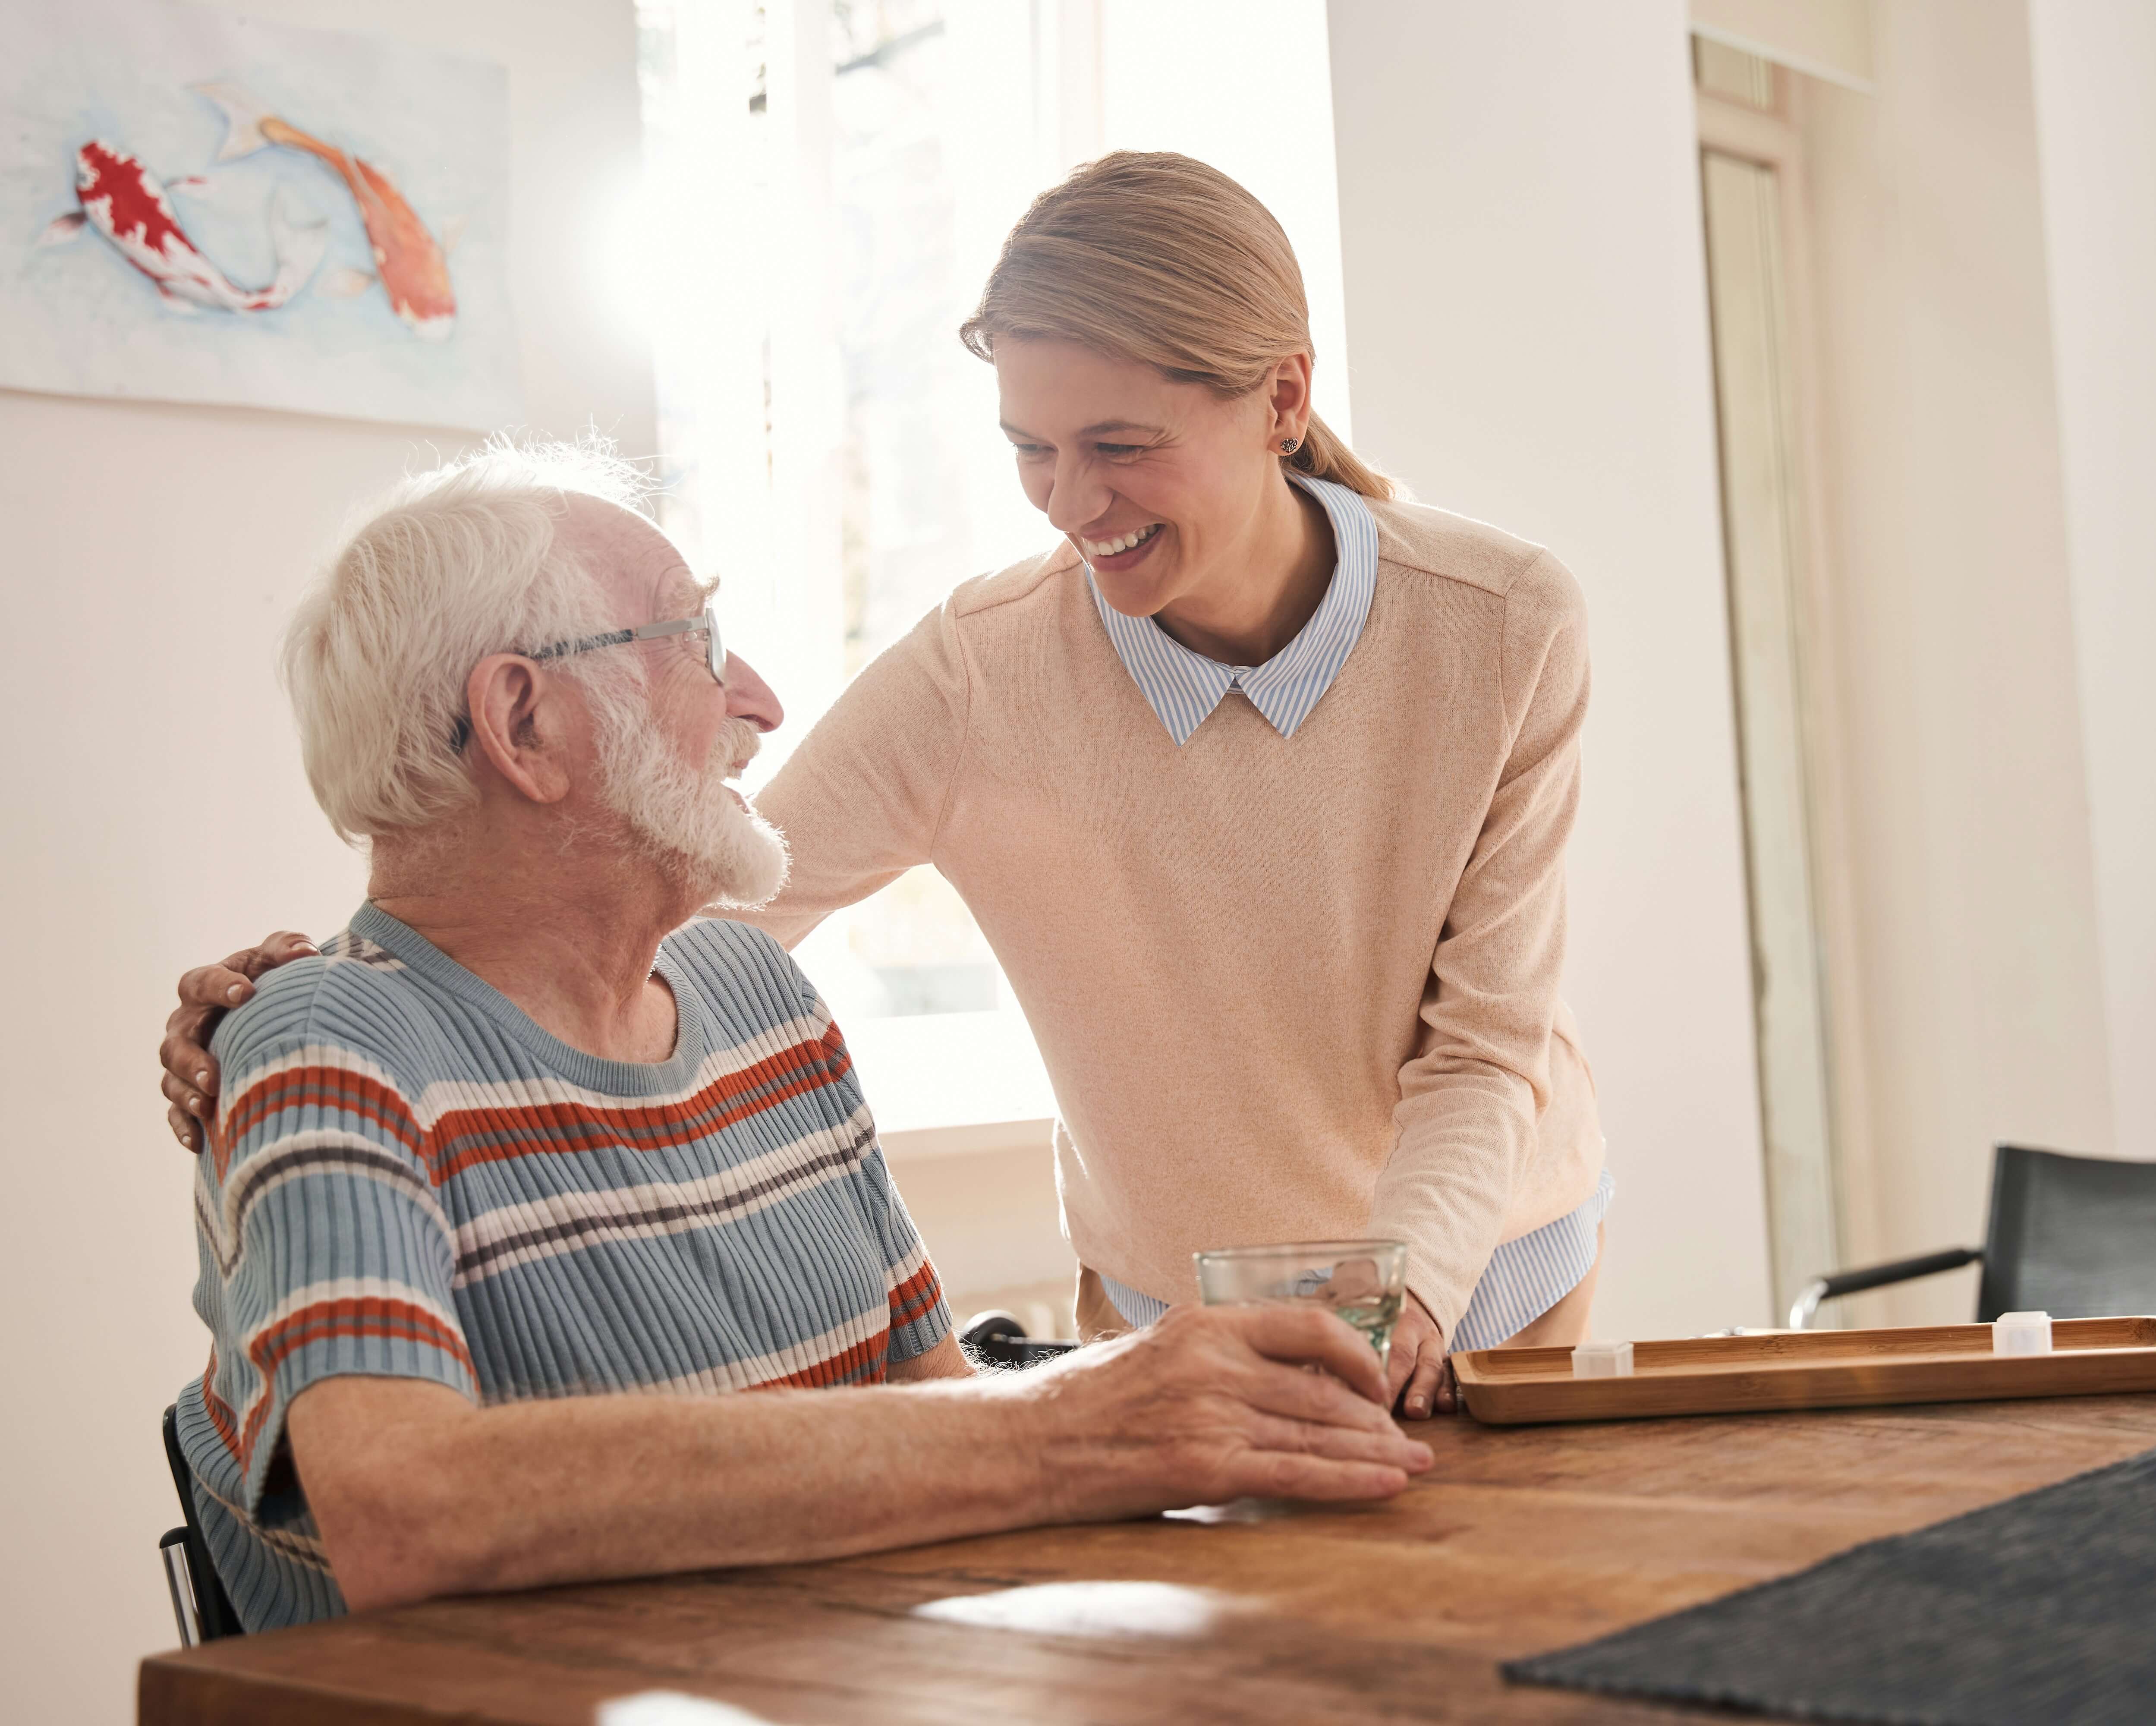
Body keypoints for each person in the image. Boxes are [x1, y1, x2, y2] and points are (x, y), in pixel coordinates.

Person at [162, 151, 1611, 1418]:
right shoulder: (981, 671)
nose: (1069, 504)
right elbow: (678, 904)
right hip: (1179, 1312)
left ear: (1282, 399)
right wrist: (333, 997)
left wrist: (1405, 1299)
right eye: (1031, 451)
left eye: (1121, 448)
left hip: (1488, 1271)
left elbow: (1484, 1048)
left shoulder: (1499, 622)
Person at [179, 446, 1429, 1632]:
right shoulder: (322, 1042)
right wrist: (1081, 1422)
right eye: (698, 642)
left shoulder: (752, 989)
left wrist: (1177, 1423)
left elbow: (933, 1405)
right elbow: (408, 1510)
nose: (763, 705)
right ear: (522, 721)